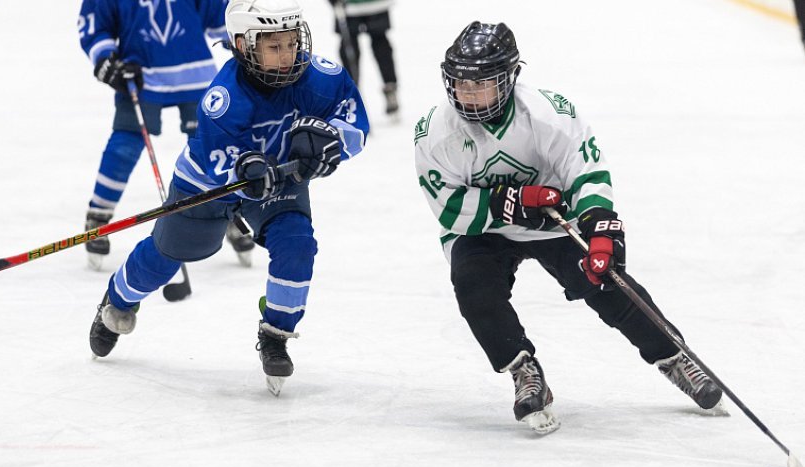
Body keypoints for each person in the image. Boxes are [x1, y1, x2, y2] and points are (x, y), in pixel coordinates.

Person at [413, 21, 723, 434]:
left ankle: (674, 356)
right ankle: (523, 369)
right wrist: (513, 202)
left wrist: (600, 227)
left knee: (605, 279)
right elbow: (450, 210)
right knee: (473, 286)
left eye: (480, 84)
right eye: (460, 83)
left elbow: (586, 172)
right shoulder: (435, 131)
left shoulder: (548, 114)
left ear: (508, 79)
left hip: (553, 223)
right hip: (483, 229)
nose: (467, 94)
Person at [88, 0, 369, 396]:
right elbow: (218, 160)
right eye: (274, 47)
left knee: (297, 246)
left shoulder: (321, 76)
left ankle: (276, 334)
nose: (287, 55)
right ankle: (118, 299)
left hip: (279, 182)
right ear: (243, 45)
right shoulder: (223, 97)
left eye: (291, 43)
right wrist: (246, 168)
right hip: (209, 185)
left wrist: (333, 140)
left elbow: (354, 117)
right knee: (167, 256)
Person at [78, 0, 255, 270]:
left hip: (195, 72)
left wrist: (247, 47)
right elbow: (95, 24)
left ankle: (226, 209)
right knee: (124, 145)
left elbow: (221, 17)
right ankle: (99, 214)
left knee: (211, 144)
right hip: (138, 75)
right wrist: (105, 60)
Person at [329, 0, 399, 116]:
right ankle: (352, 95)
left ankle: (389, 87)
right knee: (351, 48)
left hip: (374, 5)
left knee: (379, 45)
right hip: (348, 6)